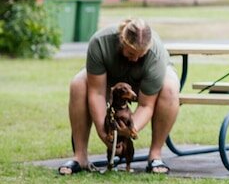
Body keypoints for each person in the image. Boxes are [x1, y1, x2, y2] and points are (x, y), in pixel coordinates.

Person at [58, 18, 180, 175]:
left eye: (141, 55)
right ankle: (80, 156)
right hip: (110, 79)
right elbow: (97, 93)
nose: (135, 59)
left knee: (170, 89)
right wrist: (106, 135)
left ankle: (155, 155)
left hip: (143, 82)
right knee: (78, 84)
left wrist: (128, 131)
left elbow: (146, 105)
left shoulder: (155, 54)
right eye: (131, 53)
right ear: (122, 40)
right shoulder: (100, 42)